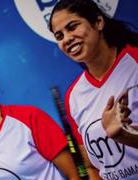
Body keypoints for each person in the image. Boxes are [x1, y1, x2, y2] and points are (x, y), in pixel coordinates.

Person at [48, 0, 138, 179]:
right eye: (59, 36)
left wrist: (126, 136)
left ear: (98, 22)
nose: (67, 39)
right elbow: (89, 167)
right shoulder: (73, 97)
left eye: (72, 27)